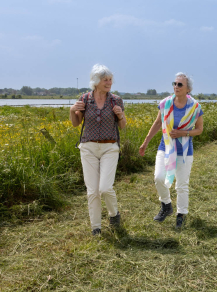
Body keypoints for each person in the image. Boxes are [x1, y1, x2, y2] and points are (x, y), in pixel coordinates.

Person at [139, 72, 204, 229]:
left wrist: (183, 133)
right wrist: (146, 141)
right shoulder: (166, 104)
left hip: (185, 150)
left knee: (181, 184)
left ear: (188, 89)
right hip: (166, 147)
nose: (176, 87)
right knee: (158, 177)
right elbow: (157, 123)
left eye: (180, 84)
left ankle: (181, 214)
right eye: (174, 84)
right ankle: (166, 205)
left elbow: (199, 129)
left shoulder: (195, 107)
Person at [69, 64, 127, 236]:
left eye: (110, 79)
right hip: (88, 147)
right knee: (92, 190)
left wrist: (121, 115)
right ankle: (96, 228)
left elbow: (122, 126)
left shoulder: (116, 100)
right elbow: (75, 123)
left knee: (105, 188)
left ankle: (114, 214)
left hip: (110, 147)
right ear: (96, 81)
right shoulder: (85, 99)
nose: (109, 82)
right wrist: (72, 110)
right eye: (105, 80)